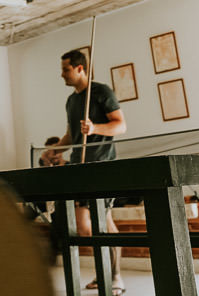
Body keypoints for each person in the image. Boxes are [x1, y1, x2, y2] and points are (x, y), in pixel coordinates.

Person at [42, 49, 127, 295]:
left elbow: (121, 125)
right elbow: (71, 135)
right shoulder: (71, 101)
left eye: (66, 69)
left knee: (103, 222)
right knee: (83, 227)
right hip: (79, 168)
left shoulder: (101, 92)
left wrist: (95, 127)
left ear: (80, 68)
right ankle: (104, 273)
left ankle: (115, 277)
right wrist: (54, 151)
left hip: (102, 166)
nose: (62, 74)